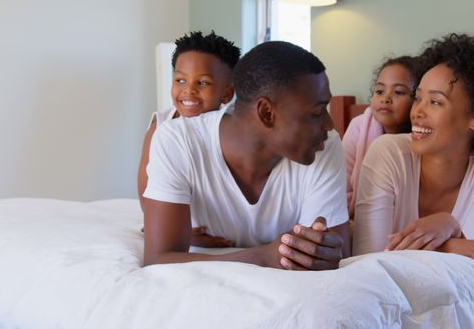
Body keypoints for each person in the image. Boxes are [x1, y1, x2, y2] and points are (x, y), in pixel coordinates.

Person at [142, 41, 350, 270]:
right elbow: (158, 259)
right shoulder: (177, 140)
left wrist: (325, 252)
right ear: (266, 113)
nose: (329, 124)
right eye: (317, 112)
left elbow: (334, 258)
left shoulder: (324, 147)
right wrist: (261, 257)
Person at [352, 33, 474, 282]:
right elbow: (367, 261)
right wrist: (452, 236)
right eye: (418, 97)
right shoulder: (386, 153)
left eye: (435, 102)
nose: (417, 111)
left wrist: (447, 231)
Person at [137, 31, 240, 247]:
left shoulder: (230, 130)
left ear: (227, 94)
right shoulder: (161, 127)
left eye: (202, 83)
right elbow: (146, 188)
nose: (188, 90)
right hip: (173, 216)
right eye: (180, 80)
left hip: (219, 222)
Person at [342, 56, 423, 217]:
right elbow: (340, 187)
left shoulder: (423, 136)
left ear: (418, 100)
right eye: (379, 91)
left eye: (398, 92)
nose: (385, 99)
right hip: (358, 216)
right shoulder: (359, 127)